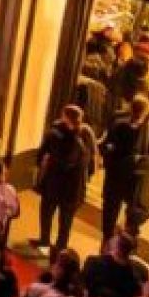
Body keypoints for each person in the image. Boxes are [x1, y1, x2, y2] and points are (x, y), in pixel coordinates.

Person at [100, 95, 149, 245]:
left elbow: (105, 147)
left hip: (116, 177)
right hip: (137, 181)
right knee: (132, 221)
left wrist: (110, 154)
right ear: (147, 111)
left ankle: (107, 247)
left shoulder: (119, 124)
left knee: (110, 217)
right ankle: (123, 248)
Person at [34, 103, 93, 253]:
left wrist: (41, 168)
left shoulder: (58, 132)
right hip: (70, 183)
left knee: (56, 214)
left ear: (65, 117)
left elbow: (43, 153)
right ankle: (54, 244)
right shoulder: (84, 133)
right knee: (59, 216)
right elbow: (90, 157)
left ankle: (52, 243)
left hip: (60, 181)